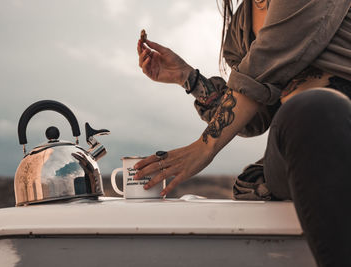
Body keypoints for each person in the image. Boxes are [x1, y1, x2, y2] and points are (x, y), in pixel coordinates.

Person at [134, 0, 351, 266]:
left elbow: (262, 67)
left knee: (319, 108)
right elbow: (253, 119)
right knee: (307, 112)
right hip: (298, 145)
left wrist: (204, 147)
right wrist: (187, 77)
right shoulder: (239, 28)